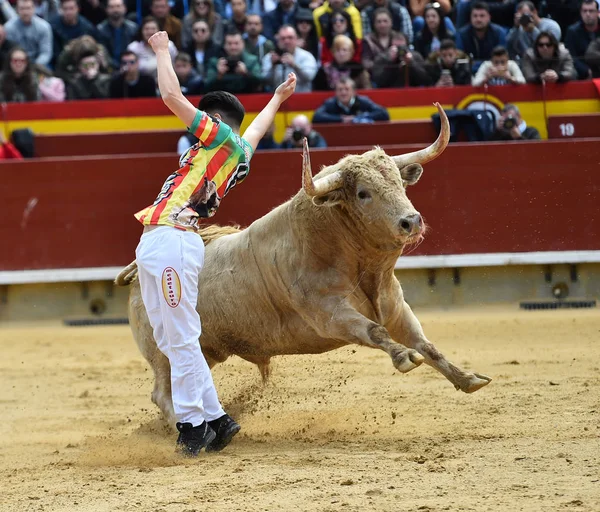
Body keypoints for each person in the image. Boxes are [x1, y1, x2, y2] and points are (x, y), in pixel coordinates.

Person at [134, 30, 296, 456]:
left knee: (183, 338)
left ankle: (192, 426)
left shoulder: (218, 138)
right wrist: (277, 99)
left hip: (173, 240)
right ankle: (218, 419)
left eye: (202, 119)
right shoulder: (239, 149)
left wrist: (163, 50)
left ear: (217, 121)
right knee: (172, 339)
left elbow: (171, 95)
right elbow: (257, 131)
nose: (195, 126)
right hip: (161, 242)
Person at [262, 24, 317, 92]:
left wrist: (294, 65)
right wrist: (272, 66)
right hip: (277, 100)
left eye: (290, 37)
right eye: (283, 38)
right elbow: (265, 81)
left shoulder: (306, 56)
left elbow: (309, 77)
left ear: (296, 38)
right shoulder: (270, 57)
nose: (286, 41)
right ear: (278, 40)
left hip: (301, 98)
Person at [204, 29, 262, 94]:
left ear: (243, 44)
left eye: (236, 43)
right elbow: (206, 86)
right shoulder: (214, 62)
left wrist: (246, 73)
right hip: (221, 100)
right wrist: (219, 76)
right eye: (229, 44)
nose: (233, 47)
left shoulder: (252, 60)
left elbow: (260, 84)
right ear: (224, 45)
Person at [312, 77, 388, 123]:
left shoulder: (363, 101)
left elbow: (383, 113)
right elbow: (317, 116)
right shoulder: (330, 103)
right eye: (340, 90)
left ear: (354, 92)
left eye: (347, 89)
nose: (343, 93)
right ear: (335, 92)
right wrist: (340, 119)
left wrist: (359, 117)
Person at [456, 1, 506, 71]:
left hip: (494, 72)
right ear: (470, 18)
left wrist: (476, 64)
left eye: (482, 16)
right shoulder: (462, 34)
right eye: (475, 16)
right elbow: (461, 61)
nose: (478, 19)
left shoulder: (499, 33)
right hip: (469, 73)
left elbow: (501, 59)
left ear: (489, 17)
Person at [4, 0, 53, 67]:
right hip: (16, 64)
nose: (25, 12)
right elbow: (9, 52)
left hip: (38, 64)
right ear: (17, 10)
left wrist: (34, 66)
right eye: (22, 8)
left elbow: (45, 53)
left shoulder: (44, 27)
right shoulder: (9, 27)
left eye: (28, 8)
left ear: (34, 8)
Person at [97, 0, 139, 68]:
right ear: (106, 9)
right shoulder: (100, 30)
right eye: (112, 7)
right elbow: (103, 52)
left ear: (125, 8)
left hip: (130, 65)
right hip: (109, 67)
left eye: (118, 6)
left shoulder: (133, 29)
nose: (115, 10)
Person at [564, 0, 600, 80]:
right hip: (582, 71)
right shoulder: (572, 31)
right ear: (580, 12)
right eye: (584, 11)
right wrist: (585, 70)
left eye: (591, 11)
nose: (587, 14)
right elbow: (571, 56)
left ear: (598, 12)